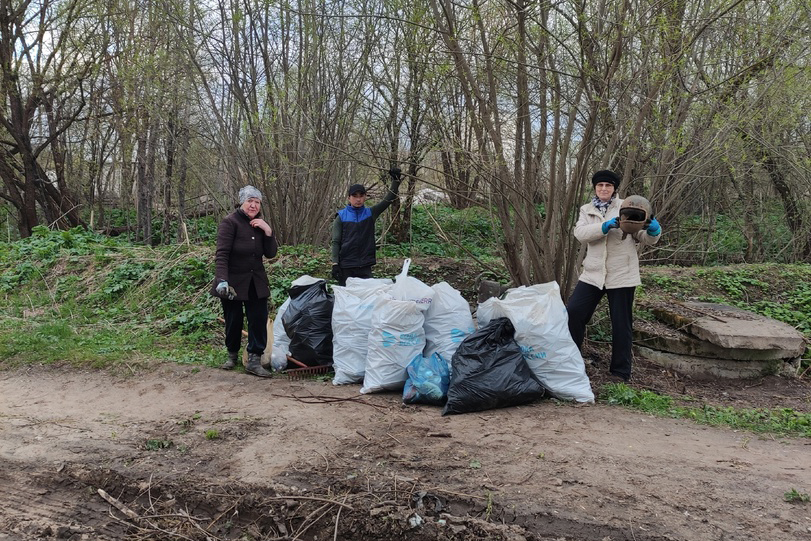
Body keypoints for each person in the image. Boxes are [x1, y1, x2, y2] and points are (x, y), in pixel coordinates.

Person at [566, 170, 661, 381]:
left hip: (621, 274)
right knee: (573, 313)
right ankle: (571, 363)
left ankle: (620, 372)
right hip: (593, 274)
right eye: (600, 185)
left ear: (614, 189)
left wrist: (653, 232)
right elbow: (580, 234)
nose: (604, 189)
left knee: (621, 323)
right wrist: (604, 226)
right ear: (595, 188)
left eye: (608, 186)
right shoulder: (586, 210)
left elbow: (643, 236)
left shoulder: (628, 206)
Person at [210, 185, 278, 377]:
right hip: (233, 281)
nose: (253, 205)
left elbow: (271, 253)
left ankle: (254, 360)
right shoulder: (230, 223)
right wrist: (222, 279)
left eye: (257, 202)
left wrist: (268, 231)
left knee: (258, 319)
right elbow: (222, 254)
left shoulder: (260, 225)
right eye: (250, 201)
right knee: (234, 320)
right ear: (242, 202)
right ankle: (232, 355)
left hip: (256, 280)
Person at [331, 167, 402, 286]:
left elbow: (388, 200)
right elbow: (335, 241)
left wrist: (395, 181)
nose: (358, 199)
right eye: (355, 196)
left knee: (368, 295)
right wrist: (335, 264)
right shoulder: (341, 216)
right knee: (347, 296)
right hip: (346, 265)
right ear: (349, 198)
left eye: (361, 195)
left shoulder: (370, 213)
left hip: (365, 265)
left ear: (365, 197)